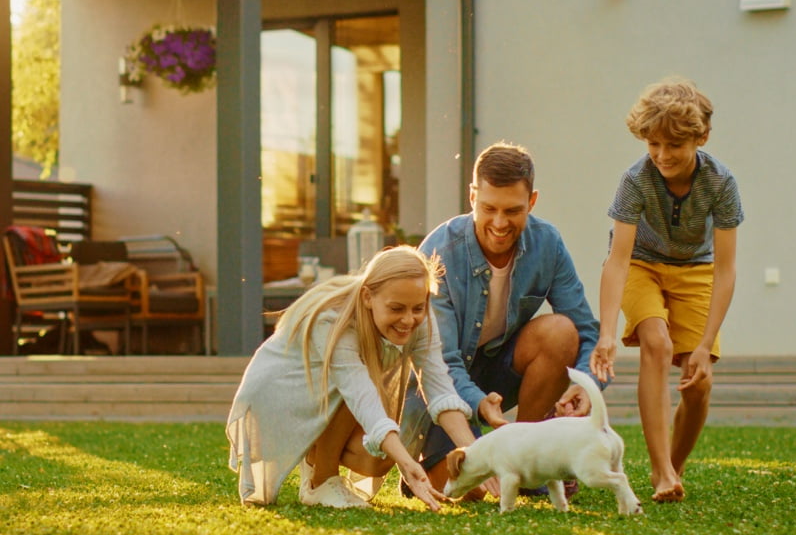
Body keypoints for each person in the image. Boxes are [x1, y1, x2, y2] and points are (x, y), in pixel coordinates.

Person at [400, 141, 603, 494]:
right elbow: (442, 363)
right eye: (488, 207)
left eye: (513, 211)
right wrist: (478, 404)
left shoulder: (548, 244)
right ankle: (430, 464)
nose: (499, 222)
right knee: (471, 490)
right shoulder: (439, 251)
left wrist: (586, 385)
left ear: (532, 202)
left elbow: (586, 331)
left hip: (499, 370)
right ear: (472, 195)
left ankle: (526, 458)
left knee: (560, 331)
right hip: (439, 384)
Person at [226, 245, 480, 510]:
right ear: (368, 297)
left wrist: (479, 459)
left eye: (418, 307)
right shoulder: (334, 320)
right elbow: (360, 396)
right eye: (396, 308)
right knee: (368, 408)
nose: (408, 319)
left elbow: (440, 392)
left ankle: (315, 461)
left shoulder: (419, 317)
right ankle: (320, 482)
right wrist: (409, 463)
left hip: (330, 393)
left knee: (377, 460)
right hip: (280, 394)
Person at [592, 77, 744, 503]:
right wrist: (607, 333)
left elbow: (727, 269)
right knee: (655, 343)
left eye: (673, 146)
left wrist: (706, 342)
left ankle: (673, 470)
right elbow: (618, 260)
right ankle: (660, 471)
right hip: (642, 264)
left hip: (696, 269)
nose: (661, 155)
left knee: (698, 383)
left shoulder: (720, 183)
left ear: (702, 137)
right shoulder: (636, 180)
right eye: (653, 144)